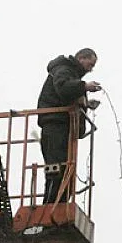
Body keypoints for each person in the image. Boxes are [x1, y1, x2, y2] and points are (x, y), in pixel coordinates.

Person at [37, 48, 102, 204]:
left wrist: (86, 103)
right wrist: (84, 86)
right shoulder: (64, 69)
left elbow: (68, 96)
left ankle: (58, 207)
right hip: (55, 125)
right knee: (57, 169)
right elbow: (64, 88)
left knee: (67, 172)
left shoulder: (72, 75)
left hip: (64, 127)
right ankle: (48, 209)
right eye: (90, 63)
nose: (91, 68)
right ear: (81, 58)